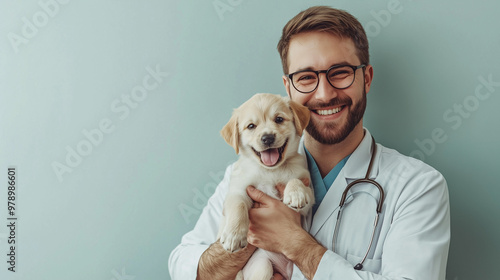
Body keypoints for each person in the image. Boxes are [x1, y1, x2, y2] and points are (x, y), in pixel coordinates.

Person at [169, 6, 450, 280]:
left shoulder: (418, 186)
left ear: (366, 78)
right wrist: (250, 237)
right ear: (288, 88)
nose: (325, 94)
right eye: (306, 78)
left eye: (340, 72)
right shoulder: (244, 172)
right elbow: (184, 266)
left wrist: (294, 243)